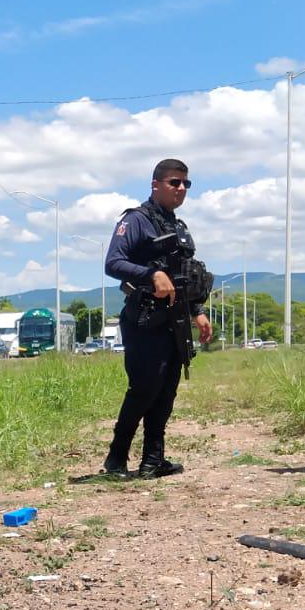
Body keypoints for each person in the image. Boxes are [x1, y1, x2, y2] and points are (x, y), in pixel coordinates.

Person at [101, 158, 214, 477]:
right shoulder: (136, 220)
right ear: (156, 184)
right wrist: (151, 275)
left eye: (185, 184)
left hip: (176, 320)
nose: (181, 189)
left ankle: (153, 460)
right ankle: (116, 458)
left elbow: (184, 275)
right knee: (144, 389)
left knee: (166, 390)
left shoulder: (178, 226)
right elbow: (113, 263)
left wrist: (198, 311)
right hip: (145, 317)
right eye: (174, 183)